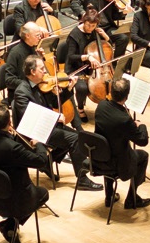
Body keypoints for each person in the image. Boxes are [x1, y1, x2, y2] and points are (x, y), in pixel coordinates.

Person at [13, 55, 102, 191]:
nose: (45, 72)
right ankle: (82, 179)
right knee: (75, 140)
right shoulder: (22, 92)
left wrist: (68, 89)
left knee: (77, 135)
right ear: (32, 72)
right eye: (42, 68)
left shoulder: (42, 85)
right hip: (33, 131)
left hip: (46, 126)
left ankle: (47, 162)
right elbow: (30, 117)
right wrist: (54, 117)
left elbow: (54, 102)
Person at [0, 105, 49, 243]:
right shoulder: (13, 148)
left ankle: (10, 225)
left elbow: (8, 151)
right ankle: (10, 223)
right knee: (43, 194)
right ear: (9, 124)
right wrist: (39, 145)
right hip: (15, 199)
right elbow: (41, 161)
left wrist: (10, 136)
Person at [94, 78, 150, 209]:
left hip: (98, 157)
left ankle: (109, 197)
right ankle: (132, 199)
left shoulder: (101, 105)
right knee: (143, 156)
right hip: (117, 163)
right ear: (126, 96)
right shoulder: (124, 119)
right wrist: (141, 126)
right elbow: (142, 141)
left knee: (108, 148)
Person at [64, 9, 110, 120]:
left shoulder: (95, 32)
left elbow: (107, 47)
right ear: (84, 21)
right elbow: (71, 57)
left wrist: (106, 37)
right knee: (81, 87)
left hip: (92, 67)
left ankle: (106, 107)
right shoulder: (74, 35)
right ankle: (80, 109)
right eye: (88, 25)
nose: (90, 28)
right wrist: (87, 57)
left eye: (93, 26)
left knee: (108, 83)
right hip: (76, 67)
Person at [3, 22, 45, 102]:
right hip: (21, 94)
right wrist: (29, 84)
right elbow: (9, 80)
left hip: (34, 89)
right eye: (37, 35)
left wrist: (40, 58)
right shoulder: (15, 53)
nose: (39, 38)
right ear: (27, 36)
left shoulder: (33, 48)